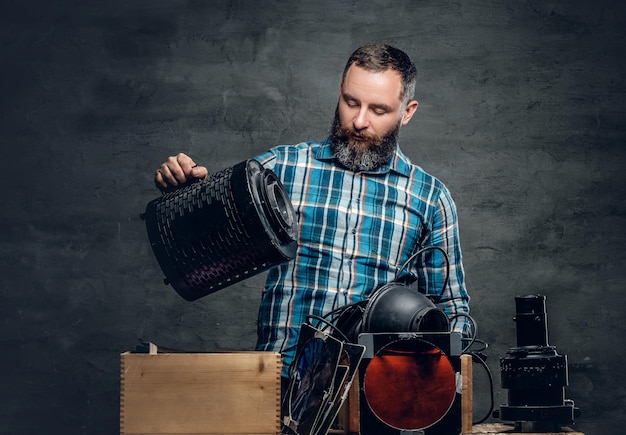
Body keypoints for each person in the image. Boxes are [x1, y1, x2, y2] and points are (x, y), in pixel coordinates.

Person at [154, 44, 471, 383]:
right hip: (278, 384)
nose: (359, 121)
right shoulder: (281, 167)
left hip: (371, 395)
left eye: (378, 109)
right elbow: (206, 237)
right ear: (340, 92)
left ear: (406, 112)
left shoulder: (430, 198)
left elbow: (452, 310)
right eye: (351, 102)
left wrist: (429, 371)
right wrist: (186, 189)